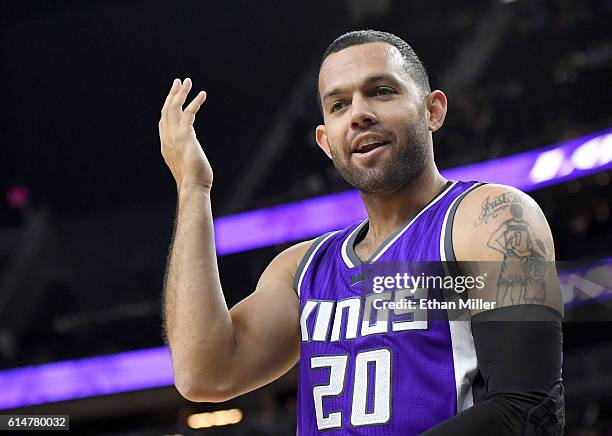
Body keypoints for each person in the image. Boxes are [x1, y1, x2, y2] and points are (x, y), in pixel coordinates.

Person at [159, 30, 565, 435]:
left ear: (433, 111)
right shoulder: (302, 271)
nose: (358, 113)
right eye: (338, 105)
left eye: (382, 91)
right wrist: (193, 188)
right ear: (325, 141)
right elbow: (203, 374)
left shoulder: (486, 217)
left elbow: (530, 410)